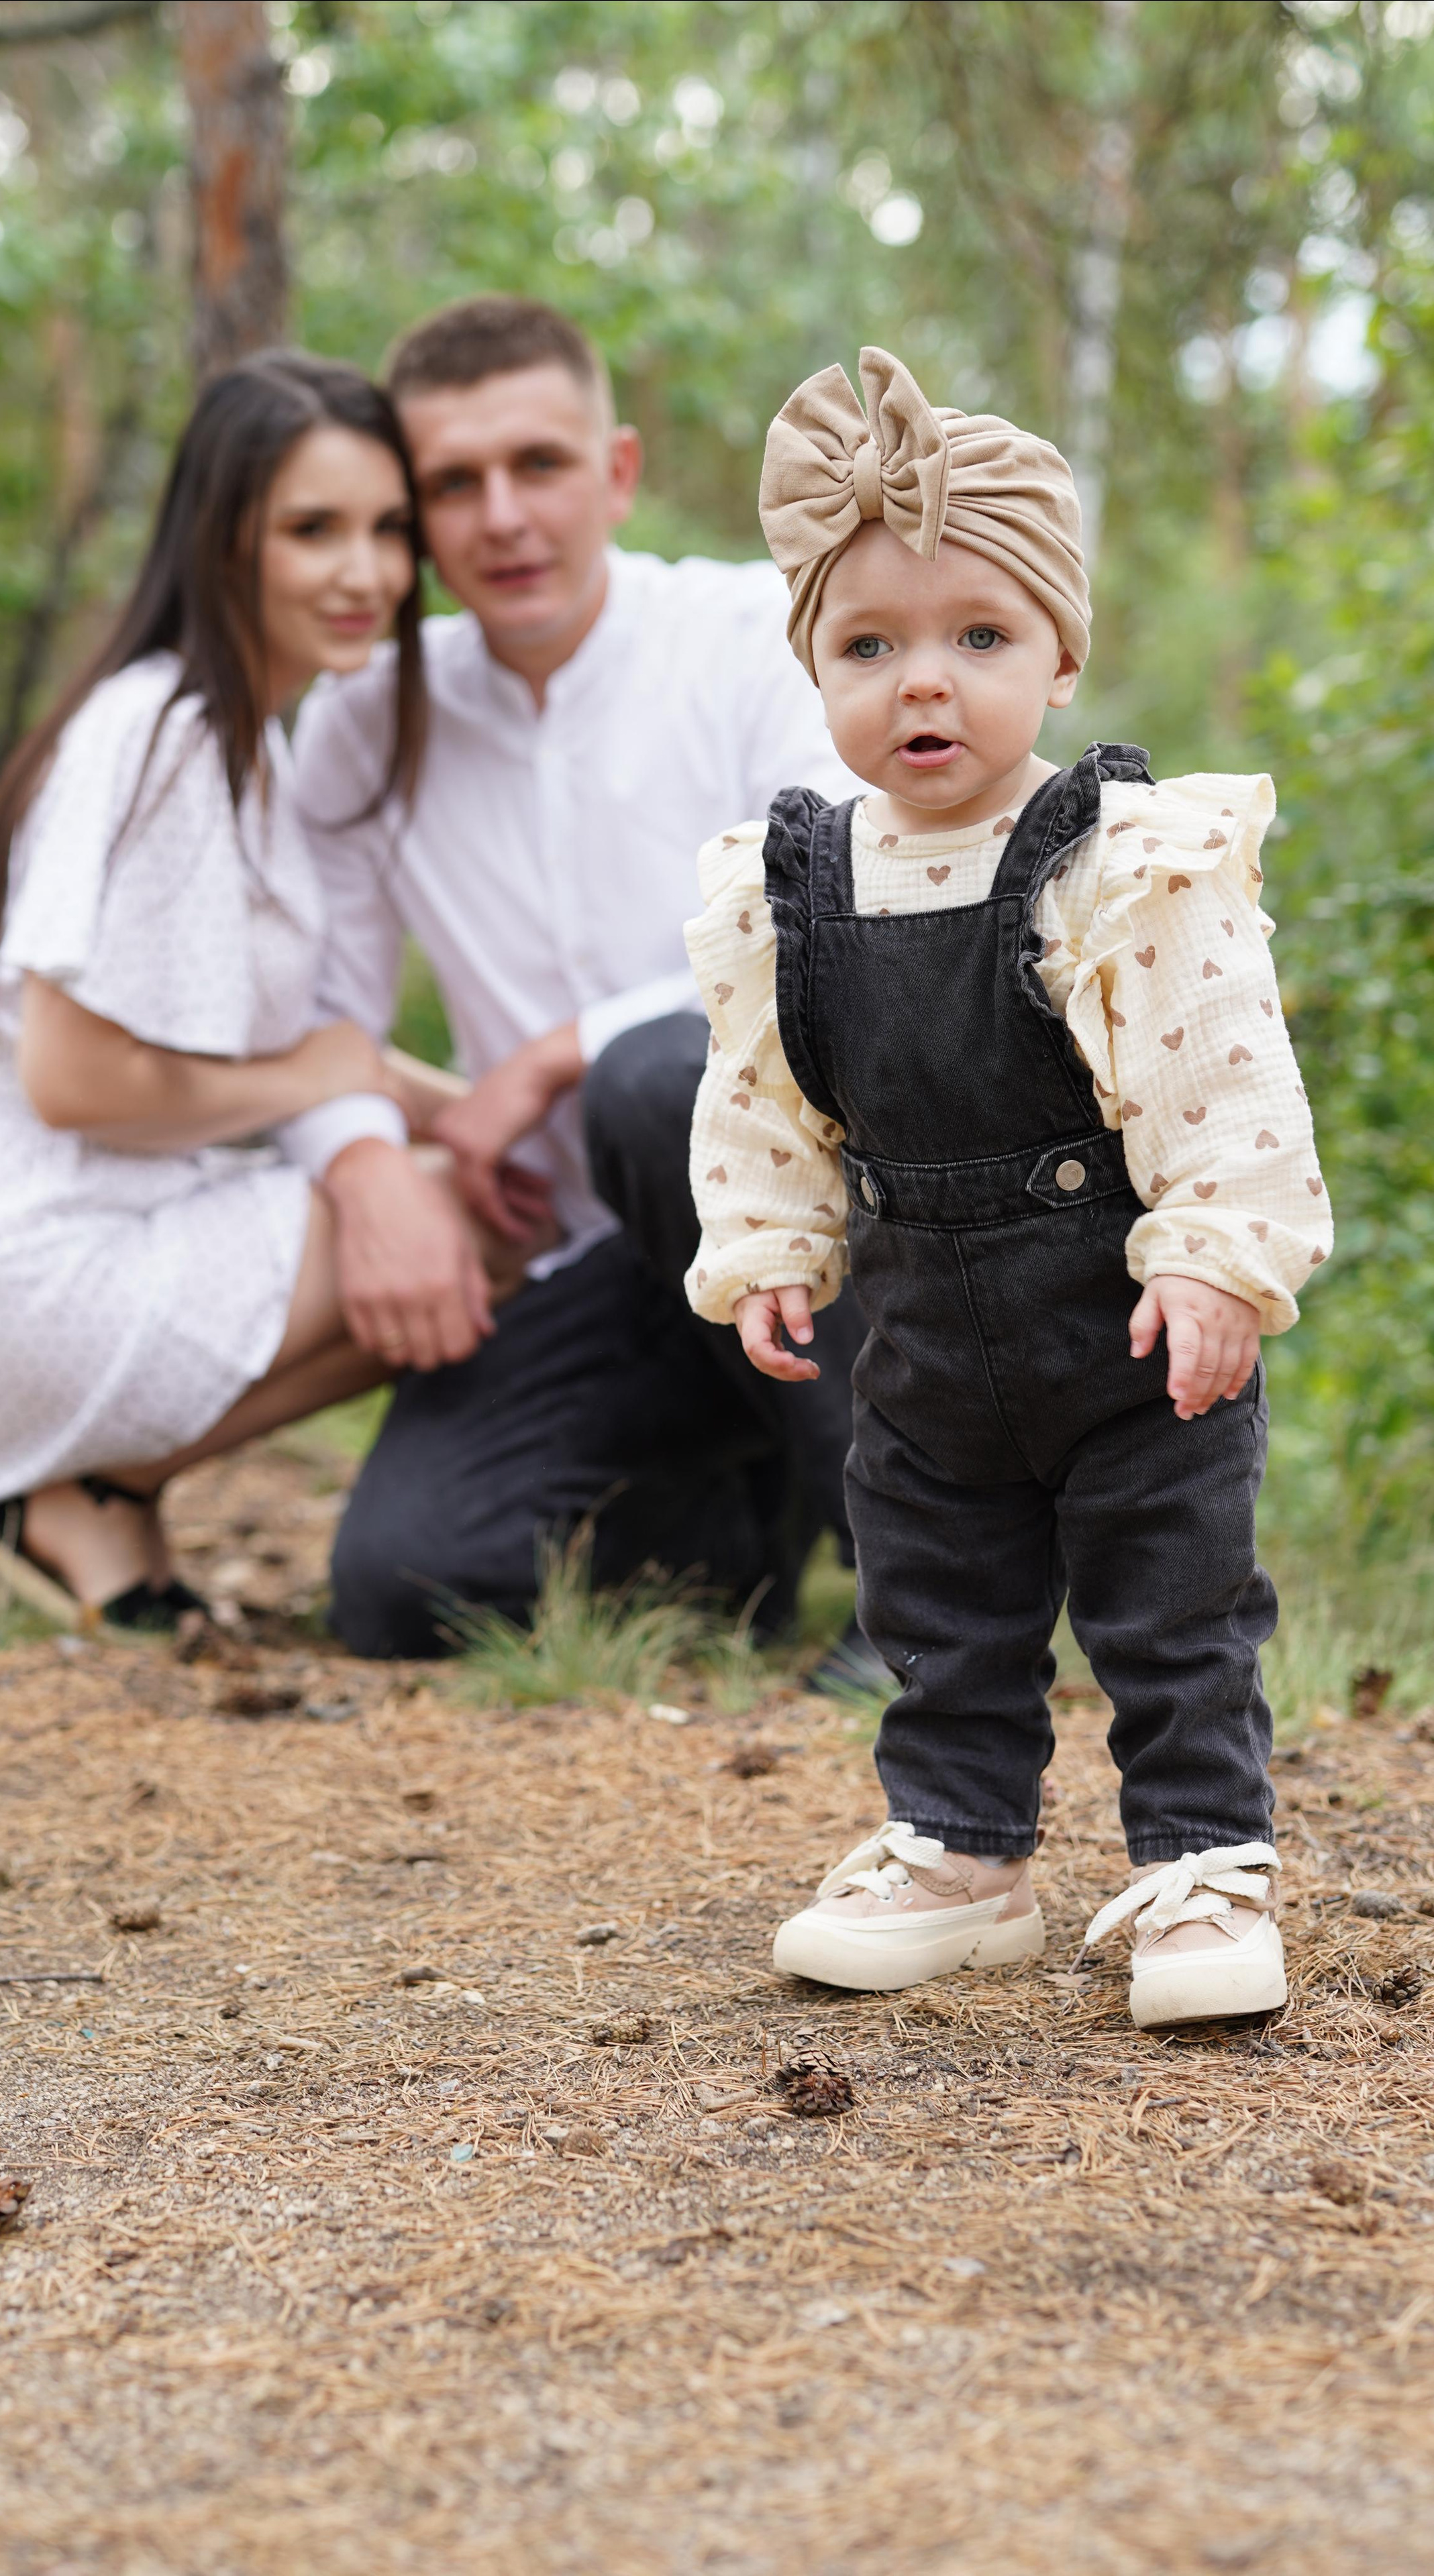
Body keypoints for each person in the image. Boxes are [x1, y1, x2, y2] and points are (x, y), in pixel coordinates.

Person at [684, 346, 1331, 2030]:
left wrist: (1212, 1261)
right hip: (921, 1346)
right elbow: (761, 1096)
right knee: (933, 1596)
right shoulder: (793, 890)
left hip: (1123, 1331)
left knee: (1168, 1598)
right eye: (869, 645)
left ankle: (1199, 1859)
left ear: (1057, 655)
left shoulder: (1123, 858)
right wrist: (768, 1242)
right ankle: (958, 1848)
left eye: (978, 638)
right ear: (813, 669)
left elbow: (1218, 1074)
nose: (924, 683)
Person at [291, 294, 880, 1676]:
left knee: (651, 1076)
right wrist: (367, 1165)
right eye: (453, 483)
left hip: (836, 1216)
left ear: (612, 472)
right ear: (412, 516)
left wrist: (552, 1052)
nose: (501, 516)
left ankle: (919, 1587)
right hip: (606, 1260)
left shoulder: (750, 637)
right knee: (403, 1583)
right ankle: (750, 1517)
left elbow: (840, 921)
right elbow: (315, 1006)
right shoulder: (368, 717)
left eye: (537, 466)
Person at [0, 350, 480, 1628]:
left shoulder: (237, 738)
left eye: (388, 530)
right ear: (221, 540)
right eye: (314, 529)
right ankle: (78, 1483)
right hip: (19, 1262)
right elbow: (73, 1078)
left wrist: (461, 1104)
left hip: (46, 1248)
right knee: (480, 1218)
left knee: (492, 1172)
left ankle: (94, 1500)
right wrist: (339, 1085)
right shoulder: (164, 736)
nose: (366, 573)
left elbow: (303, 1047)